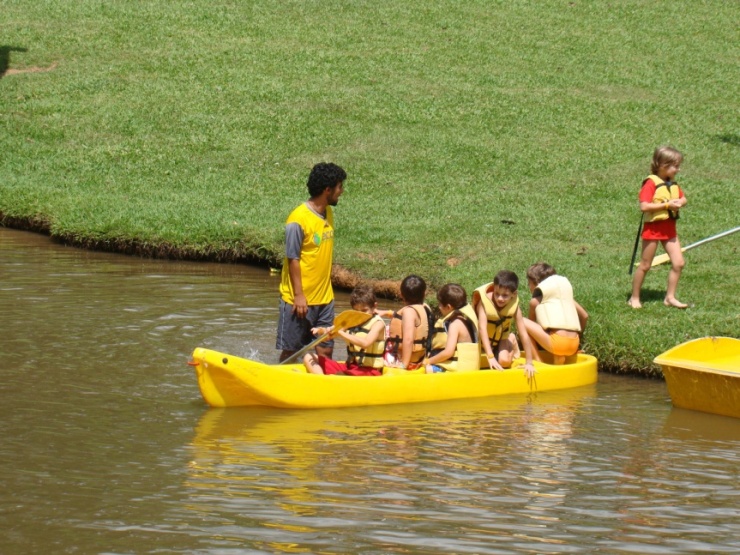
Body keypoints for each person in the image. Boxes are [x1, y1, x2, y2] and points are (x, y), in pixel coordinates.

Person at [277, 162, 346, 362]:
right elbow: (293, 259)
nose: (341, 192)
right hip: (298, 301)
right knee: (291, 353)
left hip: (325, 300)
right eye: (339, 187)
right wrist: (299, 295)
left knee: (325, 352)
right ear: (327, 190)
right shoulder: (297, 220)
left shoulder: (328, 212)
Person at [628, 146, 688, 309]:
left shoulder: (671, 183)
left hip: (669, 230)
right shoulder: (650, 184)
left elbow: (683, 199)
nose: (678, 169)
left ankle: (669, 297)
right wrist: (667, 205)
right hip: (653, 230)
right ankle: (634, 297)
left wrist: (679, 203)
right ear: (663, 165)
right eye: (675, 165)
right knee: (645, 265)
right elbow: (644, 207)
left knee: (678, 263)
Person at [303, 284, 387, 376]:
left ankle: (330, 381)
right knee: (309, 357)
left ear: (374, 306)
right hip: (351, 367)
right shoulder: (352, 320)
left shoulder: (378, 324)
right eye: (356, 311)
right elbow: (332, 331)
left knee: (340, 374)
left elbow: (366, 343)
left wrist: (341, 333)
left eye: (364, 311)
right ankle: (323, 380)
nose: (360, 315)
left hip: (370, 371)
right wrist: (321, 331)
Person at [523, 263, 588, 365]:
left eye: (529, 283)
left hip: (557, 343)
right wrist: (578, 337)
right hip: (574, 344)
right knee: (554, 331)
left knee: (521, 322)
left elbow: (529, 330)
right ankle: (558, 357)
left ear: (536, 284)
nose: (528, 286)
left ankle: (537, 360)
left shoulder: (535, 302)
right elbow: (585, 316)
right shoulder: (567, 299)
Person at [473, 270, 536, 376]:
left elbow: (523, 332)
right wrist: (490, 356)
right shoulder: (484, 302)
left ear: (513, 294)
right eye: (497, 294)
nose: (500, 298)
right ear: (494, 289)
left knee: (504, 362)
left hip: (501, 337)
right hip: (482, 340)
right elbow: (482, 328)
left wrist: (529, 362)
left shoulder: (514, 307)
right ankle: (500, 347)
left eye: (505, 295)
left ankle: (511, 339)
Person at [424, 284, 480, 373]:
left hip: (458, 370)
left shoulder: (455, 324)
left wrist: (428, 361)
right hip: (467, 367)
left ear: (448, 307)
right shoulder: (464, 318)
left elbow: (448, 352)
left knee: (423, 370)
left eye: (440, 304)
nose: (439, 307)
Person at [384, 275, 432, 370]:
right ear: (424, 293)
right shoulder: (425, 307)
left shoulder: (409, 312)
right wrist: (386, 313)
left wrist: (404, 365)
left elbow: (408, 339)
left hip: (409, 362)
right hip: (418, 358)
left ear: (401, 294)